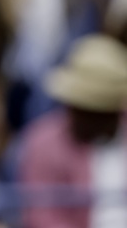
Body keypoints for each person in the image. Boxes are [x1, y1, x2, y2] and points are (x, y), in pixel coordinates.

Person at [17, 33, 127, 228]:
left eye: (101, 109)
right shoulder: (43, 143)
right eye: (84, 107)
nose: (91, 116)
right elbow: (41, 216)